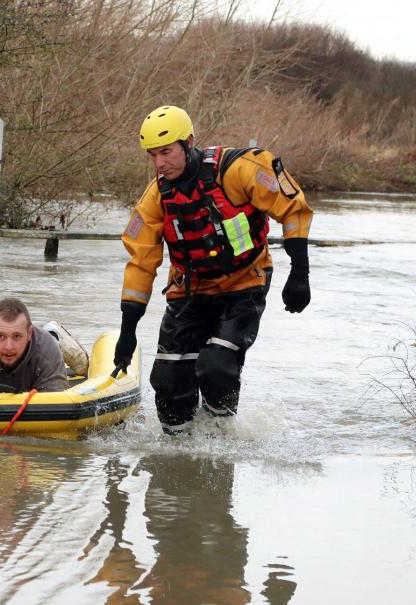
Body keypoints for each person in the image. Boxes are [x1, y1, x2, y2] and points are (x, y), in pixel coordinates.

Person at [113, 105, 314, 434]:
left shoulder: (238, 169)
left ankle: (220, 444)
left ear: (188, 142)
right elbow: (140, 263)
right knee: (166, 381)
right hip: (189, 290)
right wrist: (127, 331)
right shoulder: (155, 199)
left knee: (216, 366)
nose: (159, 164)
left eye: (166, 152)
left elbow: (293, 206)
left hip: (244, 282)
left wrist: (300, 272)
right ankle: (177, 458)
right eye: (152, 156)